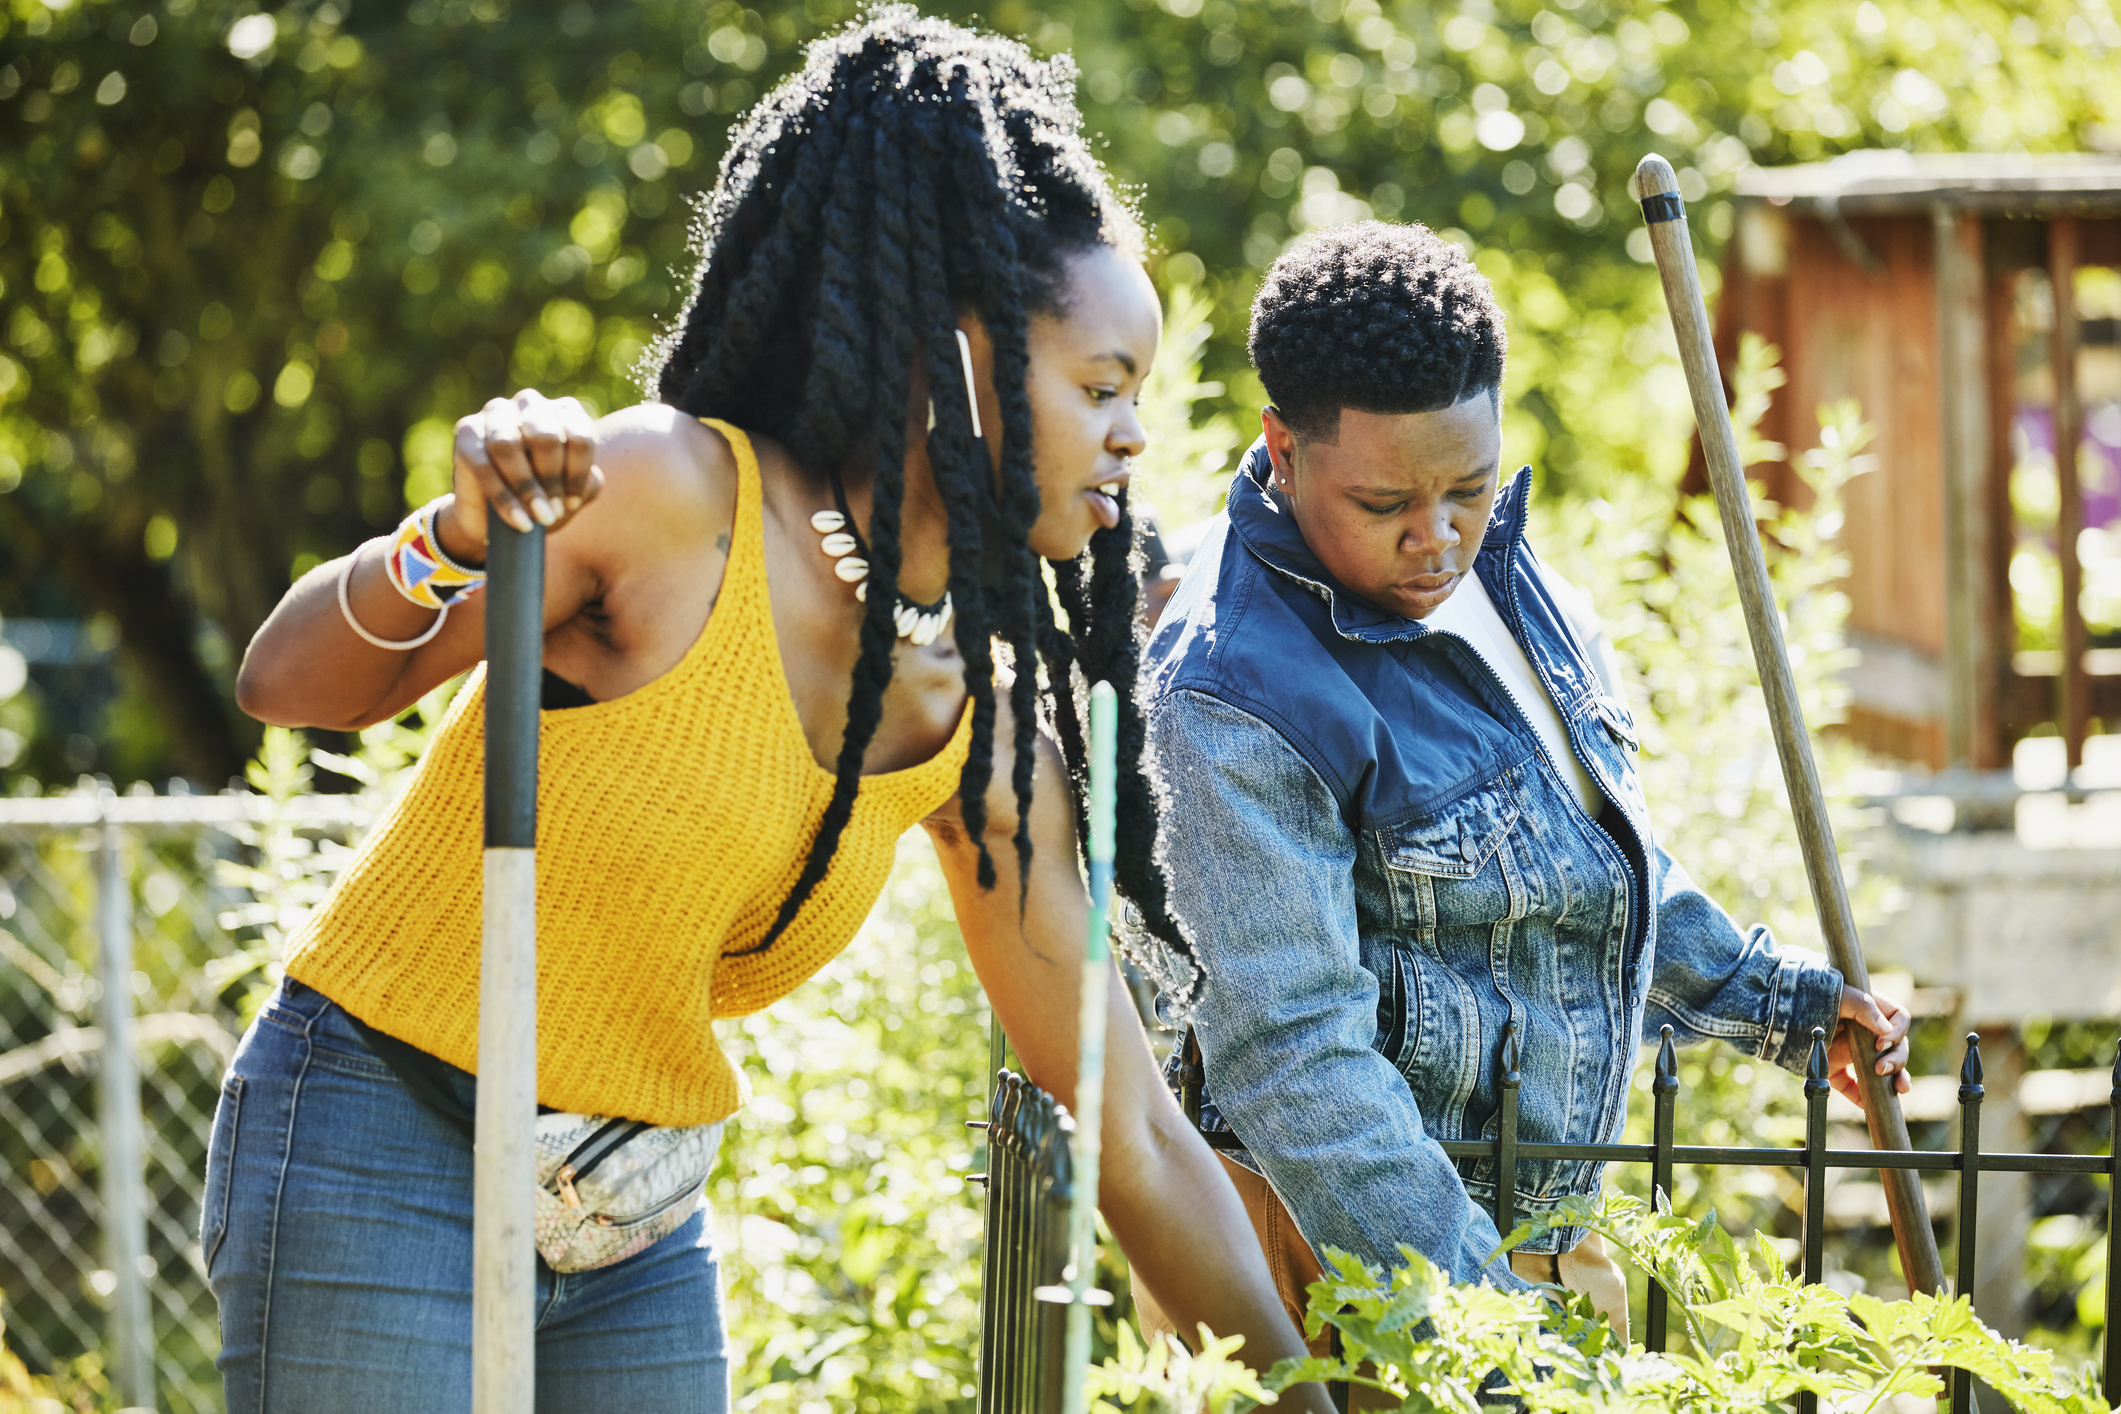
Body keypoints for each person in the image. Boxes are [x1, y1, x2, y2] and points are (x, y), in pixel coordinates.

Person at [213, 13, 1332, 1412]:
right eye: (1100, 387)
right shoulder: (668, 498)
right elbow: (293, 683)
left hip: (626, 1204)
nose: (1132, 436)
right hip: (386, 1119)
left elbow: (1138, 1137)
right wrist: (453, 532)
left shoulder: (974, 715)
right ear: (960, 360)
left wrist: (1313, 1402)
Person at [1135, 221, 1912, 1345]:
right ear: (1284, 448)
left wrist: (1775, 1001)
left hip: (1540, 1222)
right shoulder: (1228, 688)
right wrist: (1482, 1325)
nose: (1436, 536)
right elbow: (1292, 1056)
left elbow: (1570, 861)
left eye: (1471, 485)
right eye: (1385, 503)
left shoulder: (1507, 579)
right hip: (1328, 1263)